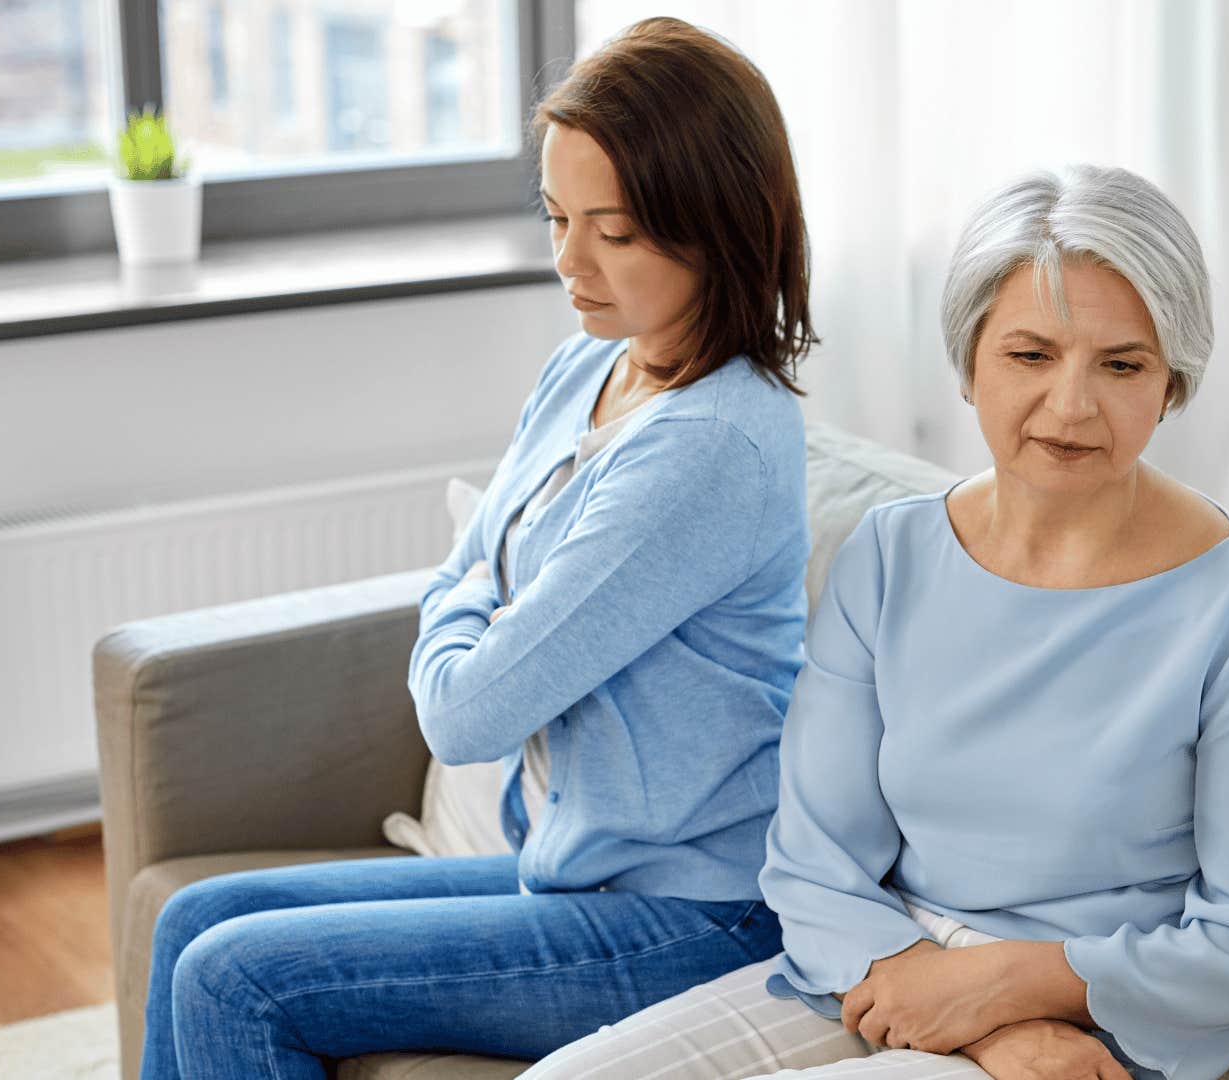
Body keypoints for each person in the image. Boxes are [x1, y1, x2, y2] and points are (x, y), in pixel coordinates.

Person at [519, 165, 1229, 1080]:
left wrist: (1011, 988)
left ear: (1172, 384)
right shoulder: (891, 555)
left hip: (1110, 1031)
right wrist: (975, 1012)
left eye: (1122, 364)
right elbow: (812, 860)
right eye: (1030, 355)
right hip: (884, 976)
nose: (1072, 406)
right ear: (968, 364)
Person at [137, 18, 818, 1078]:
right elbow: (469, 577)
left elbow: (467, 712)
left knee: (238, 977)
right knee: (195, 920)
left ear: (718, 225)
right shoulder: (584, 371)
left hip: (700, 914)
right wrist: (479, 600)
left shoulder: (714, 445)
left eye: (616, 231)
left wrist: (476, 603)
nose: (568, 262)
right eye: (556, 217)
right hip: (574, 866)